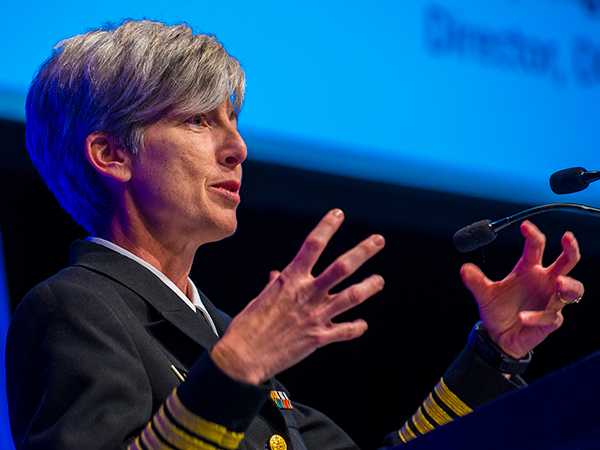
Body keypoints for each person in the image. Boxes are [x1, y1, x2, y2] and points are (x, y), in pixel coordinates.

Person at [6, 19, 584, 450]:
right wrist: (233, 371)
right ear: (110, 154)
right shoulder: (75, 310)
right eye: (198, 120)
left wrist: (492, 355)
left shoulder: (225, 332)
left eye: (233, 122)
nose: (238, 148)